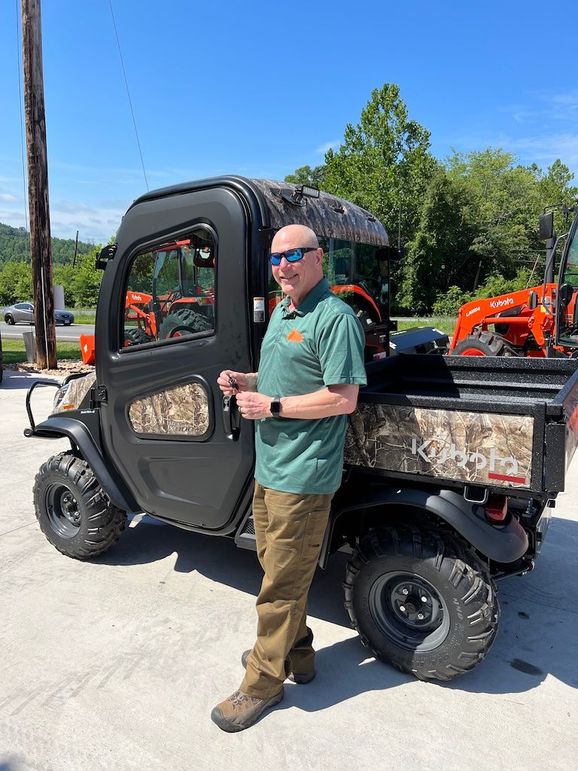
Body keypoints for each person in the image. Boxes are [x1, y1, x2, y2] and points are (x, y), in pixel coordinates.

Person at [212, 224, 367, 732]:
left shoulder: (334, 317)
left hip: (303, 474)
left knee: (279, 584)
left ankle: (262, 682)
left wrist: (272, 405)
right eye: (277, 258)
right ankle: (297, 656)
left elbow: (343, 398)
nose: (283, 266)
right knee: (277, 568)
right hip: (271, 466)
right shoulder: (283, 310)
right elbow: (280, 378)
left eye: (294, 255)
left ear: (319, 258)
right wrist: (246, 382)